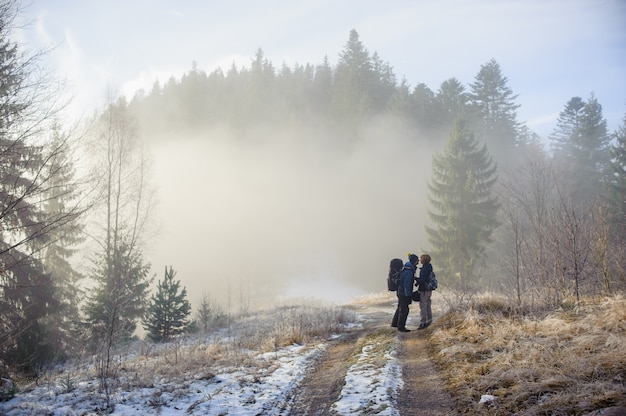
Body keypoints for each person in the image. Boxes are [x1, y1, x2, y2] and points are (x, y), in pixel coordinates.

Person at [391, 253, 419, 332]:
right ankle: (401, 327)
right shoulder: (409, 271)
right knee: (404, 310)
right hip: (403, 293)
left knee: (400, 307)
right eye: (417, 260)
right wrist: (408, 296)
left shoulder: (407, 268)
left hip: (400, 291)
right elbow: (407, 285)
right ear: (413, 261)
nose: (418, 262)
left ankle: (395, 323)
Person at [417, 254, 434, 329]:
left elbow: (422, 280)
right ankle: (429, 320)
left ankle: (422, 322)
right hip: (429, 289)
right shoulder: (430, 267)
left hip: (424, 290)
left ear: (423, 260)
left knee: (423, 306)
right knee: (428, 305)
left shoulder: (424, 269)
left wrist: (417, 280)